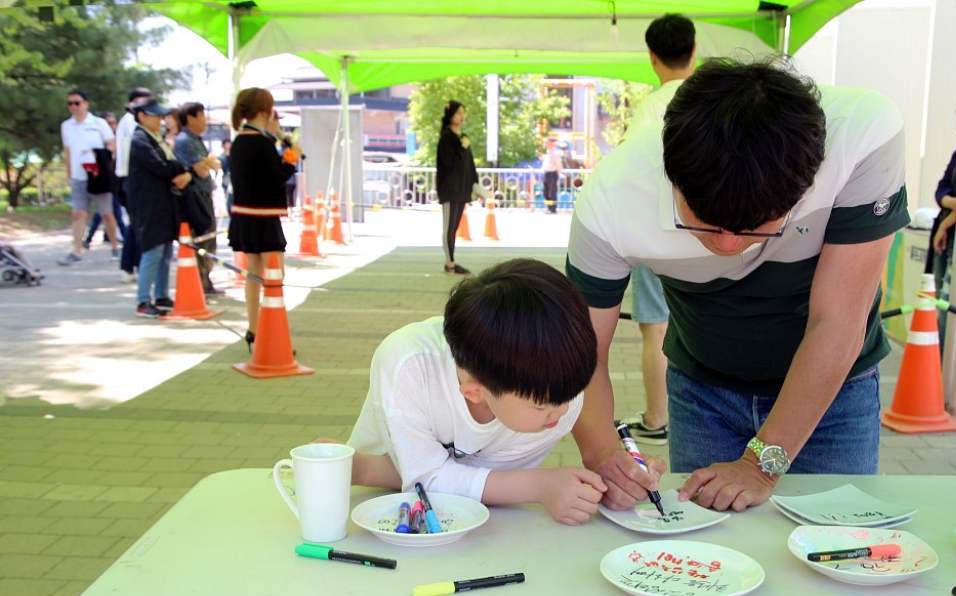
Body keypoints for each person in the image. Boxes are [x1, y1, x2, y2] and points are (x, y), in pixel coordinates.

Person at [566, 59, 910, 513]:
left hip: (835, 393)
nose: (727, 244)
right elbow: (580, 353)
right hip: (704, 390)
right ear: (671, 176)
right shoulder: (610, 199)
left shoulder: (863, 138)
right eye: (703, 222)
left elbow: (839, 320)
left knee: (836, 538)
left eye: (755, 227)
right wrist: (603, 452)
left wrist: (760, 465)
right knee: (707, 540)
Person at [347, 259, 605, 525]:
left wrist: (370, 469)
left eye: (571, 394)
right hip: (372, 507)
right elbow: (433, 486)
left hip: (469, 521)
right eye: (541, 406)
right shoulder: (409, 365)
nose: (562, 410)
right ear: (474, 392)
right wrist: (540, 486)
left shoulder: (558, 397)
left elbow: (474, 486)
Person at [615, 14, 697, 444]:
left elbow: (629, 173)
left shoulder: (649, 109)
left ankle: (657, 418)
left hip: (658, 232)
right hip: (717, 236)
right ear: (694, 50)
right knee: (707, 322)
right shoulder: (715, 101)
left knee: (656, 328)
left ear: (652, 56)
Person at [228, 87, 299, 351]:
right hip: (265, 218)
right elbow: (276, 178)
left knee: (253, 273)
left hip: (244, 216)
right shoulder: (263, 143)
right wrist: (290, 160)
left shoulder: (239, 141)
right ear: (264, 112)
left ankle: (254, 329)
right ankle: (273, 333)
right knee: (274, 274)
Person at [127, 98, 192, 318]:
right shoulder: (139, 139)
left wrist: (179, 169)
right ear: (141, 116)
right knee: (153, 250)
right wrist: (178, 171)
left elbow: (172, 163)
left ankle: (162, 295)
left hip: (163, 202)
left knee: (165, 250)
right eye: (155, 115)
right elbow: (161, 166)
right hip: (149, 204)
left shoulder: (156, 138)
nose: (160, 120)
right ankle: (143, 300)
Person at [58, 89, 117, 266]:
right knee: (78, 213)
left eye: (77, 103)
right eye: (70, 103)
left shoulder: (98, 123)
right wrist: (69, 174)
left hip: (97, 175)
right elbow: (68, 151)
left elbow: (112, 144)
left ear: (85, 104)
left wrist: (98, 155)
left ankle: (115, 247)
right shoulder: (66, 126)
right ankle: (76, 250)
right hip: (78, 175)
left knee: (106, 213)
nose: (74, 107)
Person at [174, 101, 221, 295]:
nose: (204, 120)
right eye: (201, 116)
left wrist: (207, 163)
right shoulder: (185, 140)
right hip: (194, 197)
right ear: (190, 118)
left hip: (204, 194)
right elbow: (202, 170)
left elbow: (212, 164)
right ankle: (200, 283)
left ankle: (206, 282)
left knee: (208, 239)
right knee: (201, 239)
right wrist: (208, 162)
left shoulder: (195, 139)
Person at [435, 100, 485, 275]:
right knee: (449, 228)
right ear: (450, 115)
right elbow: (448, 163)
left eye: (463, 113)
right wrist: (462, 148)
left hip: (462, 190)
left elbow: (469, 166)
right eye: (458, 113)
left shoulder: (463, 137)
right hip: (450, 190)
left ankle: (451, 261)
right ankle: (450, 263)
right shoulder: (447, 138)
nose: (462, 116)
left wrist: (475, 184)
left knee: (454, 228)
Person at [115, 87, 153, 283]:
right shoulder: (131, 122)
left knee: (136, 224)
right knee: (137, 225)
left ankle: (130, 265)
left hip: (130, 178)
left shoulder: (129, 121)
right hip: (131, 178)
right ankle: (130, 265)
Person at [82, 112, 126, 254]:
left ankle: (92, 239)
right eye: (109, 123)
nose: (112, 126)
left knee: (106, 213)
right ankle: (122, 241)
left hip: (116, 183)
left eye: (114, 123)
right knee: (110, 213)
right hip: (103, 183)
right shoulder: (97, 145)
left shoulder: (118, 141)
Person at [541, 136, 563, 214]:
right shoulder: (548, 152)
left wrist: (559, 173)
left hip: (552, 174)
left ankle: (553, 209)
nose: (545, 144)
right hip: (546, 173)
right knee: (545, 192)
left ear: (552, 144)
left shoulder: (555, 153)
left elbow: (558, 165)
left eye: (547, 142)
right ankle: (548, 207)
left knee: (552, 192)